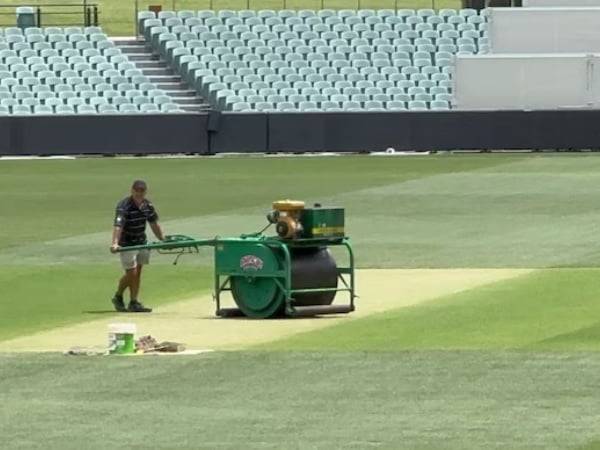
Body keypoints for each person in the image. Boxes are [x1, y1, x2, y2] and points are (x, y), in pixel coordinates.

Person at [110, 180, 164, 313]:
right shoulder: (124, 206)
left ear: (145, 192)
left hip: (141, 241)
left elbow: (154, 223)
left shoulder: (147, 205)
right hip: (128, 243)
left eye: (142, 191)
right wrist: (115, 243)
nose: (139, 193)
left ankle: (133, 301)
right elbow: (118, 226)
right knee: (132, 273)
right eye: (137, 191)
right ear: (132, 190)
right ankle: (118, 295)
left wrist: (163, 239)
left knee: (138, 272)